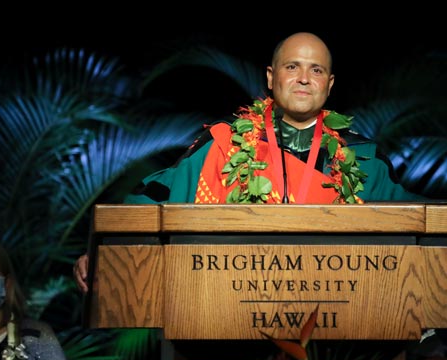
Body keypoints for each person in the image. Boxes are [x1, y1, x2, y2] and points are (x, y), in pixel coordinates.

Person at [74, 32, 426, 292]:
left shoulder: (363, 160)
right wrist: (105, 251)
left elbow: (421, 224)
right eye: (293, 67)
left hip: (333, 330)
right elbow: (149, 205)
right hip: (228, 316)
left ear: (329, 84)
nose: (304, 78)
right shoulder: (223, 147)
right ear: (272, 77)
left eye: (316, 70)